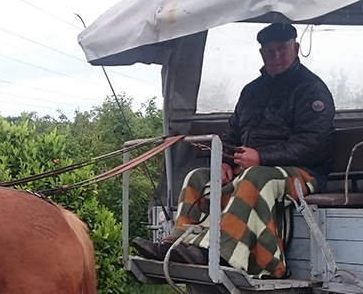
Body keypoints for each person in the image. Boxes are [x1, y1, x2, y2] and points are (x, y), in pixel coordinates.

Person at [134, 22, 335, 278]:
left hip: (305, 172)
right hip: (254, 168)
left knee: (256, 177)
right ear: (262, 53)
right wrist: (225, 162)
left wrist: (262, 157)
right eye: (270, 50)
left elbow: (311, 143)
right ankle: (177, 242)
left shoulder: (312, 89)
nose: (276, 55)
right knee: (197, 177)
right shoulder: (251, 91)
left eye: (282, 49)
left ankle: (216, 251)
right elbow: (232, 134)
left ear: (295, 48)